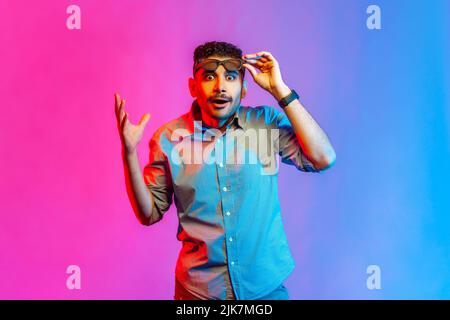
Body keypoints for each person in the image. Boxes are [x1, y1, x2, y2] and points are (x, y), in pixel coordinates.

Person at [114, 41, 336, 300]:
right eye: (209, 76)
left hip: (265, 289)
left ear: (243, 89)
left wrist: (280, 91)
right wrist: (129, 152)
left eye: (230, 77)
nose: (220, 86)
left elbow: (323, 158)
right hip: (198, 293)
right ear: (193, 87)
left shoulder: (265, 124)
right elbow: (148, 213)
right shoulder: (168, 139)